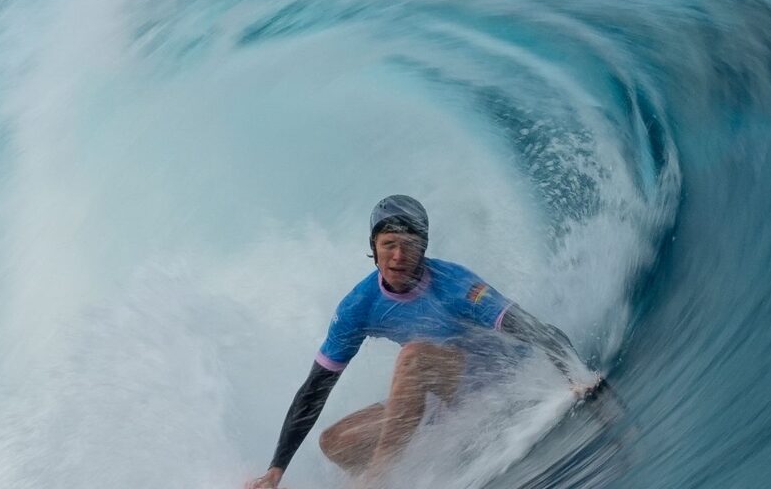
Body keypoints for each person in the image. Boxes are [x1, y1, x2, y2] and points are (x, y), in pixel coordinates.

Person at [246, 195, 604, 489]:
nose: (398, 256)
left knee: (413, 356)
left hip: (497, 380)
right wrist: (276, 470)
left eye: (408, 246)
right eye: (388, 245)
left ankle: (380, 480)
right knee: (336, 442)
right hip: (444, 404)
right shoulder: (359, 305)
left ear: (423, 248)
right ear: (373, 247)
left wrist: (575, 375)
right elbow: (314, 389)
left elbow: (537, 329)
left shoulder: (456, 285)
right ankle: (419, 468)